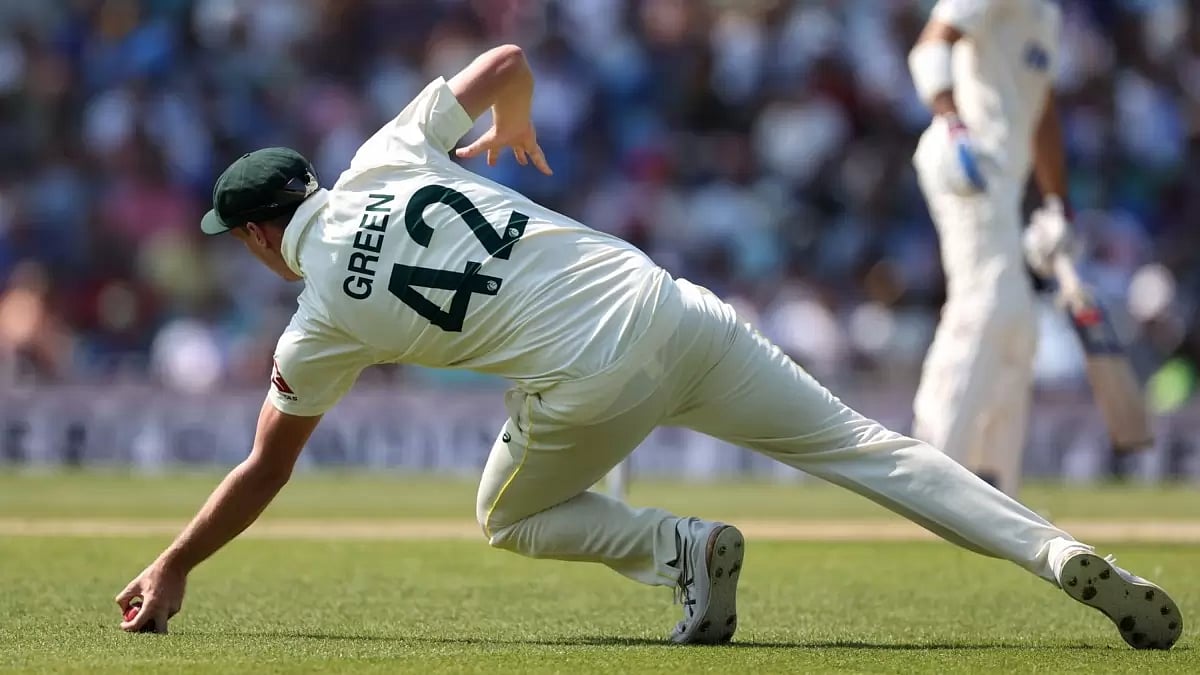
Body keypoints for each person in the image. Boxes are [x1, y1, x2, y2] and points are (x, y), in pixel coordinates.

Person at [115, 45, 1182, 649]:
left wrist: (173, 563)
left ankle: (676, 549)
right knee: (871, 448)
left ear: (260, 235)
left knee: (506, 513)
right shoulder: (383, 158)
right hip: (673, 305)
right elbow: (505, 59)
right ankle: (1055, 552)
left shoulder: (318, 323)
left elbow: (265, 467)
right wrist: (516, 118)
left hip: (588, 381)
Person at [907, 0, 1074, 496]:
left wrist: (1058, 204)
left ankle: (990, 481)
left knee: (1017, 320)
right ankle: (929, 466)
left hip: (1003, 178)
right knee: (989, 296)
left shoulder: (1047, 15)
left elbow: (1041, 110)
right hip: (966, 160)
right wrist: (953, 122)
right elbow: (930, 46)